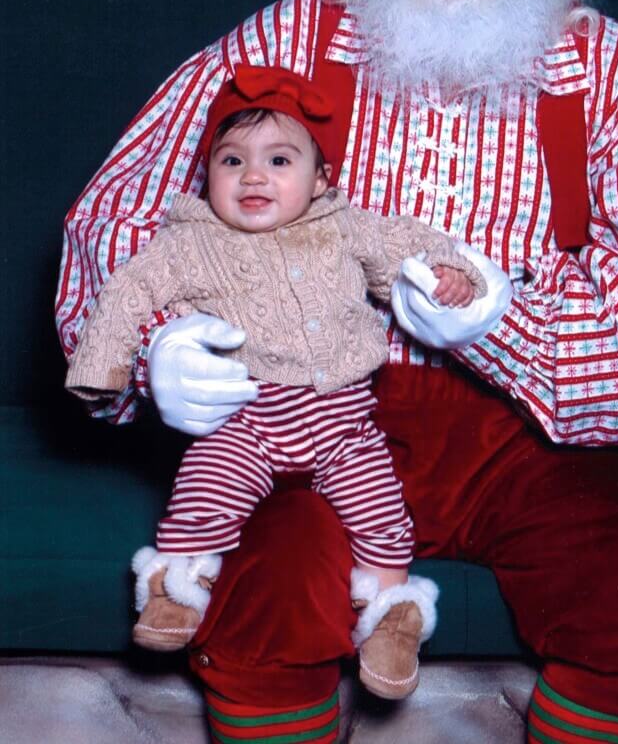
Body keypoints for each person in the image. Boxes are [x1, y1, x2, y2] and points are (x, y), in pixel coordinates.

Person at [56, 0, 618, 744]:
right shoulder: (285, 43)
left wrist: (500, 323)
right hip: (312, 415)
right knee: (263, 594)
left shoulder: (614, 76)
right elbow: (122, 212)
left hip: (528, 442)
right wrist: (159, 347)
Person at [65, 64, 493, 696]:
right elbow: (126, 293)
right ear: (207, 175)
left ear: (320, 180)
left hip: (344, 422)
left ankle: (390, 615)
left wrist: (454, 274)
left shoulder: (345, 226)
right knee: (203, 491)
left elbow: (412, 243)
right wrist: (102, 371)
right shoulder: (188, 244)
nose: (253, 176)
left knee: (383, 515)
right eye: (232, 161)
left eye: (279, 161)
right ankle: (176, 587)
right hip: (247, 419)